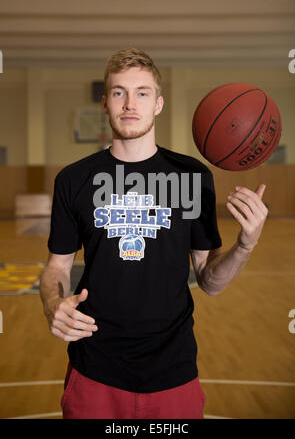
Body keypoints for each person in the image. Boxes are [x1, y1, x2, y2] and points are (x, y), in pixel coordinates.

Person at [39, 47, 268, 419]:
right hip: (95, 366)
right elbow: (57, 267)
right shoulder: (74, 179)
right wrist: (52, 304)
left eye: (142, 92)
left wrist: (246, 243)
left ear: (158, 104)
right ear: (105, 103)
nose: (130, 103)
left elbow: (209, 280)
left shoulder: (193, 177)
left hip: (172, 369)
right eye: (119, 92)